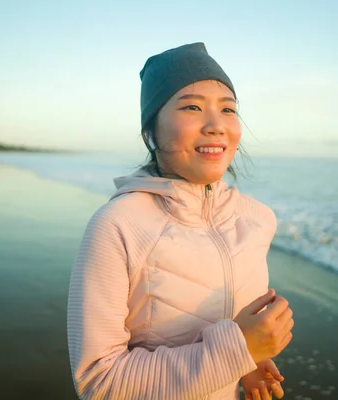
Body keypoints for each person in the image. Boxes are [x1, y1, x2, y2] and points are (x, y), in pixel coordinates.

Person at [67, 42, 294, 400]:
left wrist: (246, 367)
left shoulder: (257, 219)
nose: (217, 125)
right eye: (191, 106)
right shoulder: (118, 224)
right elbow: (99, 383)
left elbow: (235, 335)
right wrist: (239, 351)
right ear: (150, 132)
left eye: (228, 109)